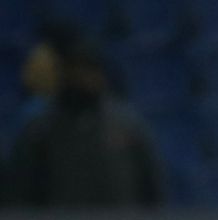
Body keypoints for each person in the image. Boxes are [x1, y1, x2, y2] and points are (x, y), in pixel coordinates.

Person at [9, 31, 165, 206]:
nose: (82, 79)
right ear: (63, 75)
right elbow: (21, 193)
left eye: (88, 71)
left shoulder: (129, 128)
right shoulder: (40, 132)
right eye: (74, 71)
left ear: (101, 76)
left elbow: (152, 191)